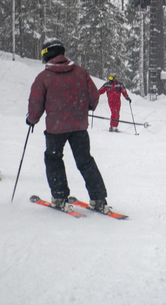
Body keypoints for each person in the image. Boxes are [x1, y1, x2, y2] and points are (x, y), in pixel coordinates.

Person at [26, 39, 112, 213]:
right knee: (85, 160)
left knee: (53, 158)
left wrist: (32, 119)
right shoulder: (80, 72)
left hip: (56, 129)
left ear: (47, 54)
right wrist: (83, 108)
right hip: (79, 126)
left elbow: (36, 103)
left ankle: (59, 196)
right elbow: (94, 97)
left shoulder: (44, 77)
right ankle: (98, 198)